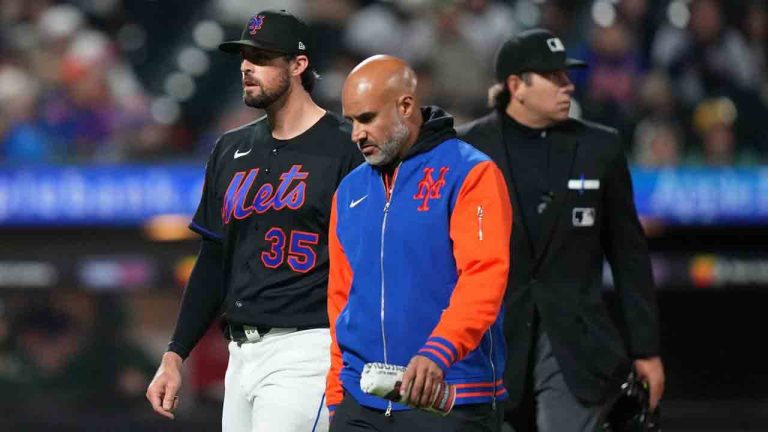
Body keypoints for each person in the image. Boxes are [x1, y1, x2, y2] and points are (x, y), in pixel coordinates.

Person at [145, 10, 363, 432]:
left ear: (298, 65)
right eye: (244, 55)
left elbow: (369, 257)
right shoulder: (229, 149)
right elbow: (213, 259)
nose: (246, 65)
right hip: (240, 354)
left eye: (262, 57)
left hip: (310, 346)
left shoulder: (346, 147)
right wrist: (175, 354)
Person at [457, 29, 665, 432]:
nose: (567, 85)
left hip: (576, 347)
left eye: (566, 76)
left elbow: (629, 256)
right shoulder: (467, 150)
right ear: (516, 85)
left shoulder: (599, 147)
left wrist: (647, 350)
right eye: (554, 77)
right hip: (490, 346)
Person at [326, 55, 513, 431]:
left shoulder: (471, 173)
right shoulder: (349, 190)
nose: (356, 134)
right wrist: (335, 392)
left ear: (406, 106)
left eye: (366, 119)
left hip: (449, 395)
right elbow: (341, 298)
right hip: (361, 400)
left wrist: (439, 351)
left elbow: (483, 276)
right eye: (351, 122)